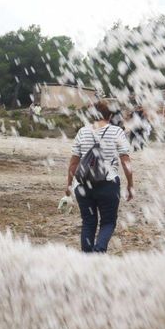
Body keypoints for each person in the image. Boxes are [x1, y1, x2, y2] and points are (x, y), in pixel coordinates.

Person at [65, 100, 133, 253]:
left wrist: (69, 187)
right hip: (108, 184)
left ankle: (87, 260)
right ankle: (99, 251)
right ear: (110, 115)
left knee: (88, 223)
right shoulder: (117, 132)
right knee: (108, 223)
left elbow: (73, 164)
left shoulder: (83, 132)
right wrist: (130, 184)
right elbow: (126, 161)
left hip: (83, 185)